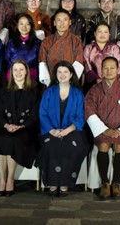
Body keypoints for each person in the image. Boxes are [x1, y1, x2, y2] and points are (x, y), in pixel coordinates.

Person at [85, 57, 120, 200]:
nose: (108, 71)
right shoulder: (95, 89)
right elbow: (89, 111)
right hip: (102, 130)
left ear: (118, 70)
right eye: (105, 68)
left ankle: (116, 183)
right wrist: (104, 129)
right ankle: (105, 183)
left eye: (112, 68)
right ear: (101, 70)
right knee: (103, 145)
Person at [37, 61, 89, 197]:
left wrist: (67, 130)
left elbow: (81, 116)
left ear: (71, 74)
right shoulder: (49, 92)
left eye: (65, 72)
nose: (62, 75)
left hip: (73, 131)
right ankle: (52, 183)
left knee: (69, 145)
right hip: (50, 130)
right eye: (59, 72)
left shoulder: (78, 94)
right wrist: (52, 130)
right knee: (51, 145)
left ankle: (65, 183)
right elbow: (42, 113)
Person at [0, 60, 41, 196]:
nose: (18, 73)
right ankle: (2, 180)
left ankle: (10, 180)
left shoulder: (34, 91)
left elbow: (36, 114)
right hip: (5, 127)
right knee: (2, 139)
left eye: (21, 70)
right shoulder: (3, 91)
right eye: (15, 70)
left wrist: (21, 126)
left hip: (26, 129)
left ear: (26, 72)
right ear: (11, 73)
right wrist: (7, 125)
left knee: (13, 140)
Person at [38, 9, 85, 86]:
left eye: (65, 20)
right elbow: (42, 62)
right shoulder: (47, 41)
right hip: (51, 82)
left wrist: (70, 80)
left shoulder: (76, 40)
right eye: (59, 20)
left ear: (69, 22)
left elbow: (79, 62)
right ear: (54, 23)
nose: (62, 23)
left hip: (70, 83)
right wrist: (49, 82)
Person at [83, 22, 120, 90]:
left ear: (109, 34)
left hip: (112, 82)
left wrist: (108, 80)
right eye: (100, 32)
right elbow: (87, 65)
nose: (103, 34)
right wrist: (97, 79)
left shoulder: (114, 48)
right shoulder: (88, 48)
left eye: (105, 32)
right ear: (95, 34)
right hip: (93, 83)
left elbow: (118, 65)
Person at [4, 13, 41, 82]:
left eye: (27, 24)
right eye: (21, 24)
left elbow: (39, 63)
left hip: (31, 78)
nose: (24, 27)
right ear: (17, 26)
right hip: (13, 77)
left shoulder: (38, 43)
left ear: (31, 26)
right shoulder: (11, 42)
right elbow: (7, 60)